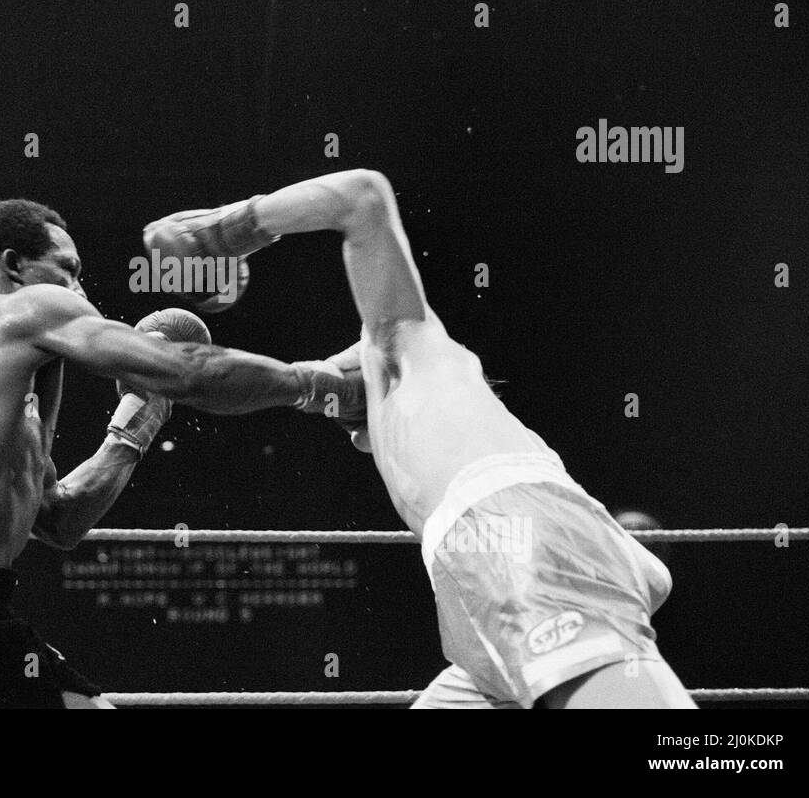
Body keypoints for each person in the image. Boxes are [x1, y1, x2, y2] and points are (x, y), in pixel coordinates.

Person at [144, 171, 694, 709]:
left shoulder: (407, 344)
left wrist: (216, 234)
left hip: (509, 532)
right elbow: (277, 384)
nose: (344, 383)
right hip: (475, 614)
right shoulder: (390, 418)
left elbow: (362, 195)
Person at [0, 198, 363, 708]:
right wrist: (317, 383)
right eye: (70, 269)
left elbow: (59, 520)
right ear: (13, 267)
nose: (80, 290)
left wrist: (137, 425)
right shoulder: (27, 309)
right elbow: (191, 371)